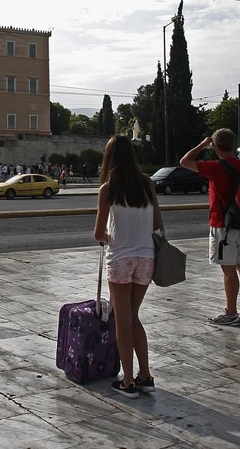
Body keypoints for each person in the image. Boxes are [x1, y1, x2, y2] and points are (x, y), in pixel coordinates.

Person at [93, 135, 161, 398]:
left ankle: (128, 381)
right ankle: (145, 375)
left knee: (122, 321)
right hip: (147, 259)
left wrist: (111, 235)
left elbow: (99, 232)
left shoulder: (108, 188)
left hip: (121, 259)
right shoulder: (147, 184)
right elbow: (155, 223)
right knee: (134, 317)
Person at [180, 128, 240, 326]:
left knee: (228, 271)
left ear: (216, 147)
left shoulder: (217, 166)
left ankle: (231, 313)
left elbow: (184, 162)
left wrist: (201, 145)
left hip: (223, 225)